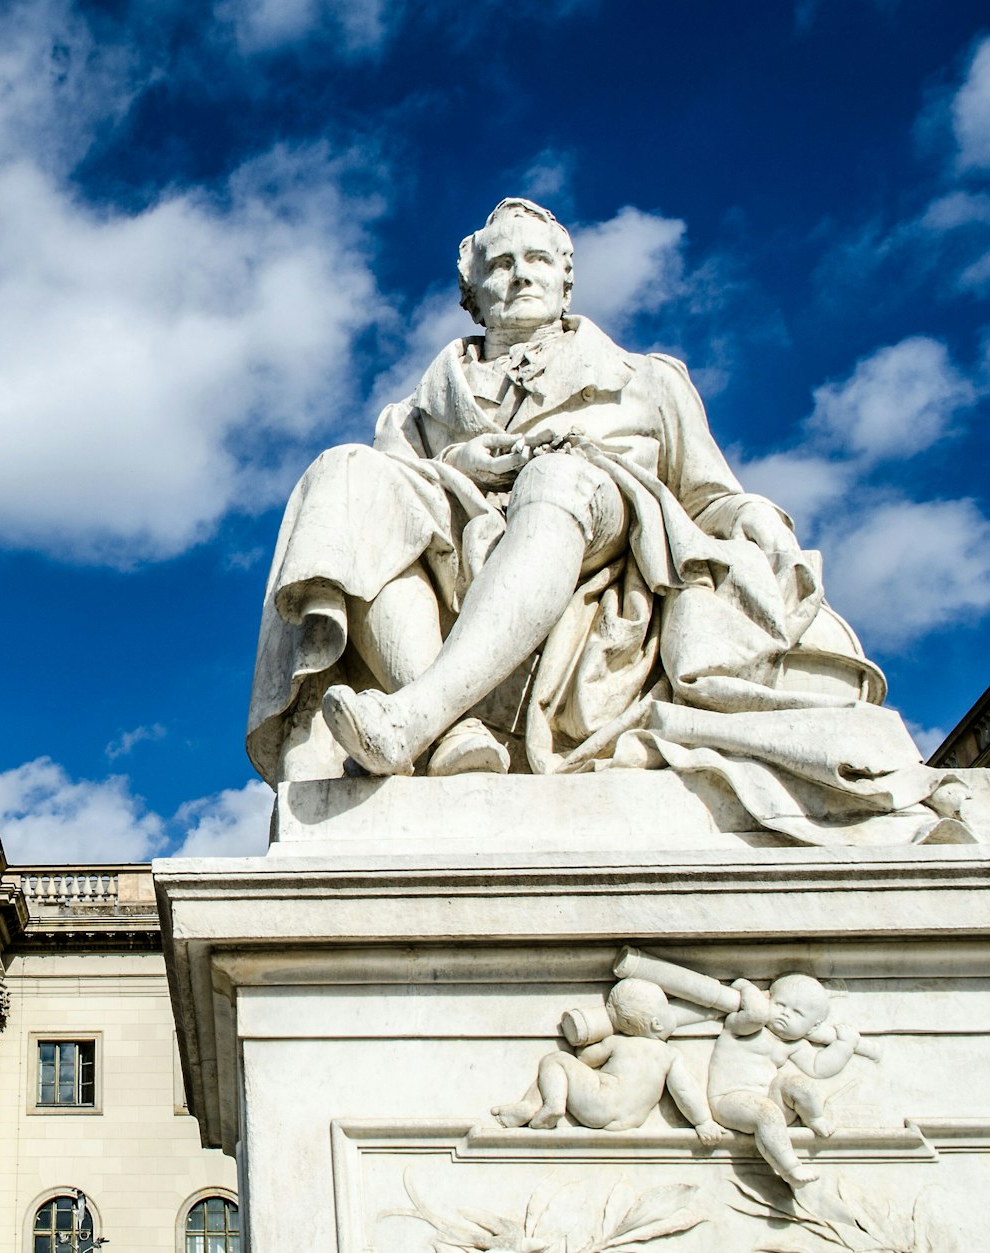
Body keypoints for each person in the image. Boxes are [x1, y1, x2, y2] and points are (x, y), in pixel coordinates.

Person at [248, 197, 967, 844]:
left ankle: (419, 716)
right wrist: (464, 463)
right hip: (452, 573)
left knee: (558, 474)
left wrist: (758, 521)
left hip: (599, 552)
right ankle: (453, 730)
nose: (518, 275)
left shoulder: (645, 380)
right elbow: (366, 528)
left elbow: (711, 496)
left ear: (566, 281)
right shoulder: (416, 414)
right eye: (499, 265)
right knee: (344, 471)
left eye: (536, 260)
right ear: (473, 296)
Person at [492, 978, 722, 1137]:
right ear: (657, 1023)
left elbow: (584, 1059)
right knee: (559, 1066)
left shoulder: (617, 1042)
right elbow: (685, 1091)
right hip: (629, 1120)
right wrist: (703, 1122)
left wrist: (604, 1033)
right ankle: (533, 1107)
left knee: (556, 1060)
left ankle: (546, 1104)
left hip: (599, 1104)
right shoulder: (670, 1055)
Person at [707, 973, 859, 1187]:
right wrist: (746, 987)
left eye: (797, 1013)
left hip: (769, 1102)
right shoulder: (742, 1027)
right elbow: (757, 1014)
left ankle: (814, 1118)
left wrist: (845, 1045)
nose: (785, 1014)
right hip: (729, 1101)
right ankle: (790, 1169)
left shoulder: (792, 1044)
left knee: (797, 1083)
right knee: (765, 1111)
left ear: (813, 1028)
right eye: (780, 1004)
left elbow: (819, 1068)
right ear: (768, 999)